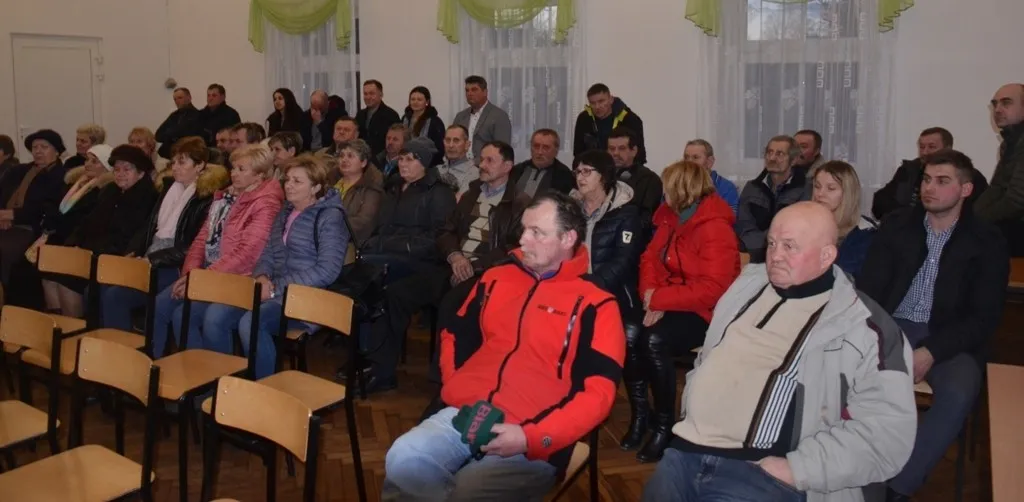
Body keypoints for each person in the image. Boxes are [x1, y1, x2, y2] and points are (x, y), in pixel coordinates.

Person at [642, 201, 917, 502]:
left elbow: (886, 435)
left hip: (758, 471)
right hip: (685, 452)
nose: (775, 256)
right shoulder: (745, 288)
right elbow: (708, 357)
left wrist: (796, 469)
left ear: (827, 256)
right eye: (772, 243)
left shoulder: (863, 326)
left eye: (790, 246)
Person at [383, 192, 626, 502]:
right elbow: (454, 334)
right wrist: (457, 386)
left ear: (568, 238)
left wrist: (531, 437)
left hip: (532, 431)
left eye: (537, 232)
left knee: (469, 493)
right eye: (524, 229)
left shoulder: (596, 304)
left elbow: (599, 394)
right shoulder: (495, 278)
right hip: (468, 412)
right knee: (404, 457)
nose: (523, 240)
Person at [857, 149, 1009, 502]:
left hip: (949, 337)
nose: (929, 188)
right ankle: (848, 471)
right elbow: (869, 292)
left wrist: (931, 351)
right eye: (926, 180)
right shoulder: (897, 226)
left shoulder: (987, 241)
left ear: (965, 189)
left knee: (958, 392)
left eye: (942, 181)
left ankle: (896, 487)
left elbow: (984, 318)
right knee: (847, 374)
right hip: (892, 327)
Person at [360, 141, 527, 393]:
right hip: (452, 264)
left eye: (489, 160)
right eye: (481, 159)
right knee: (395, 294)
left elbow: (512, 247)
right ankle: (382, 372)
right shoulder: (471, 194)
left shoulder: (519, 204)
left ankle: (445, 382)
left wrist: (474, 265)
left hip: (487, 274)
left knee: (452, 303)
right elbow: (446, 231)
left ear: (507, 166)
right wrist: (455, 256)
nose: (481, 165)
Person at [631, 160, 739, 462]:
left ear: (681, 190)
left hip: (706, 311)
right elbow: (649, 259)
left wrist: (660, 299)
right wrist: (651, 296)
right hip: (670, 298)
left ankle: (665, 426)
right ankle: (641, 415)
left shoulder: (715, 227)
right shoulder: (670, 216)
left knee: (653, 340)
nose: (662, 192)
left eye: (667, 186)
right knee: (628, 332)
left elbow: (713, 289)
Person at [149, 144, 283, 358]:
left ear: (259, 175)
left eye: (241, 169)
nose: (234, 173)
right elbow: (201, 239)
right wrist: (189, 274)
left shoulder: (266, 203)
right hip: (209, 272)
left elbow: (248, 253)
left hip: (239, 277)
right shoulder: (225, 197)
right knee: (161, 305)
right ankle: (166, 365)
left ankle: (216, 373)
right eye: (233, 168)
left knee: (192, 317)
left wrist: (200, 279)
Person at [229, 154, 348, 378]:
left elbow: (327, 270)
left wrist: (275, 287)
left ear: (316, 187)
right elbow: (268, 252)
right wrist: (262, 276)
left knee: (251, 323)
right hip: (274, 291)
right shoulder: (285, 212)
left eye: (297, 181)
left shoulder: (330, 217)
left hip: (307, 296)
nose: (289, 185)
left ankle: (265, 387)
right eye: (287, 180)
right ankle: (223, 381)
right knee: (218, 315)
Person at [101, 137, 229, 332]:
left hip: (175, 266)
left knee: (117, 295)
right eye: (173, 162)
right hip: (153, 258)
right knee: (105, 286)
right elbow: (148, 228)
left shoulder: (207, 198)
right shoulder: (169, 188)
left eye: (182, 162)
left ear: (200, 165)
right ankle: (116, 345)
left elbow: (193, 247)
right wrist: (134, 252)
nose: (175, 167)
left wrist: (152, 259)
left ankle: (149, 347)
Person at [44, 145, 159, 317]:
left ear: (141, 173)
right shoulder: (110, 191)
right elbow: (87, 223)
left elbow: (127, 239)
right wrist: (73, 245)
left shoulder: (147, 198)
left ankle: (77, 326)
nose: (120, 174)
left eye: (127, 169)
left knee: (67, 280)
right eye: (117, 170)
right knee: (51, 272)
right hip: (92, 252)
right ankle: (61, 325)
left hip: (114, 258)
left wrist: (88, 252)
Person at [0, 129, 69, 287]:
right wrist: (3, 216)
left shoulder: (60, 176)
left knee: (5, 250)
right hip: (5, 222)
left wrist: (12, 215)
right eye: (34, 147)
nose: (38, 151)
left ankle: (6, 296)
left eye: (44, 147)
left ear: (57, 151)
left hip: (33, 228)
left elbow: (47, 209)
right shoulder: (19, 170)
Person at [736, 135, 811, 262]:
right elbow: (743, 225)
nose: (772, 158)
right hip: (752, 254)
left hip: (790, 257)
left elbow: (796, 230)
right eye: (769, 152)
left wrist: (769, 246)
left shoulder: (806, 189)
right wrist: (759, 249)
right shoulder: (752, 187)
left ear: (793, 160)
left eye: (779, 154)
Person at [972, 83, 1024, 256]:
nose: (997, 109)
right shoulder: (1008, 144)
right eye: (995, 104)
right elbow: (996, 188)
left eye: (1006, 103)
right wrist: (969, 218)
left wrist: (974, 223)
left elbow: (1017, 201)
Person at [811, 161, 877, 278]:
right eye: (817, 186)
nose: (820, 194)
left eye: (831, 188)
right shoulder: (805, 225)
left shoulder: (864, 235)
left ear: (848, 193)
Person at [573, 83, 647, 165]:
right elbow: (578, 152)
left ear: (611, 99)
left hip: (623, 168)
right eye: (592, 103)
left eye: (601, 101)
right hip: (593, 168)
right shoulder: (584, 118)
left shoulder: (630, 119)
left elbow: (639, 154)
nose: (597, 107)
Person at [334, 139, 384, 245]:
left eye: (350, 156)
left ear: (363, 162)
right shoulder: (330, 185)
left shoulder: (371, 191)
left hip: (350, 244)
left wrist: (330, 226)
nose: (344, 160)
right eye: (341, 156)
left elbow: (363, 223)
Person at [453, 75, 512, 161]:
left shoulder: (499, 116)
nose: (469, 93)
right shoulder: (460, 116)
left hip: (485, 166)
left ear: (485, 92)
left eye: (474, 90)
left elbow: (502, 151)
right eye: (467, 90)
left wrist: (476, 163)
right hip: (460, 165)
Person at [508, 129, 574, 197]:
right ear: (531, 148)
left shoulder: (564, 175)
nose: (540, 152)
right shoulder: (518, 170)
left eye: (546, 148)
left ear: (556, 151)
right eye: (536, 146)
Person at [684, 139, 739, 214]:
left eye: (695, 157)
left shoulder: (726, 188)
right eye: (686, 157)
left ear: (710, 162)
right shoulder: (677, 185)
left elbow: (730, 217)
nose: (689, 162)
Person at [356, 79, 402, 157]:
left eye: (372, 93)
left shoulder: (391, 115)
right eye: (365, 94)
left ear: (381, 95)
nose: (368, 97)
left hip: (382, 158)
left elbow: (395, 141)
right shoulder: (360, 114)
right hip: (361, 156)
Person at [402, 86, 446, 165]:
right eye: (413, 99)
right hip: (406, 161)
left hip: (429, 164)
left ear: (427, 102)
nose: (415, 102)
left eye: (419, 99)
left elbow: (439, 149)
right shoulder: (404, 119)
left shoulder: (435, 122)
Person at [156, 87, 200, 158]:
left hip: (184, 155)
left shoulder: (197, 115)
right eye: (175, 99)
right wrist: (173, 135)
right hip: (165, 154)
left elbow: (188, 137)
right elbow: (158, 135)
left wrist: (170, 134)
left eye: (180, 98)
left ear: (189, 98)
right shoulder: (174, 115)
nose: (177, 101)